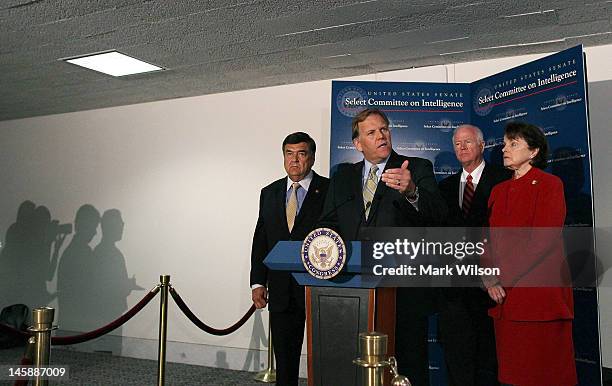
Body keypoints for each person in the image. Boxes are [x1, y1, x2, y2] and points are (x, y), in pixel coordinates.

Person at [320, 108, 446, 386]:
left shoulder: (416, 167)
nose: (381, 136)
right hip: (354, 290)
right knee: (359, 366)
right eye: (372, 132)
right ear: (357, 144)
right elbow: (328, 222)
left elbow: (439, 216)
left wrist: (412, 191)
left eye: (385, 129)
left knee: (408, 366)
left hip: (405, 292)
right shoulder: (342, 176)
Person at [484, 122, 576, 386]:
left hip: (539, 298)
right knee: (513, 375)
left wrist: (503, 276)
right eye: (504, 143)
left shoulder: (549, 184)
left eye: (513, 144)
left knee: (545, 374)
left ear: (534, 151)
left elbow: (542, 240)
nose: (505, 149)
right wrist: (489, 277)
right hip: (504, 299)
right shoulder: (498, 191)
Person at [250, 132, 329, 386]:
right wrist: (257, 282)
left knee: (327, 356)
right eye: (289, 154)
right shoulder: (269, 192)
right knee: (285, 360)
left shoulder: (329, 190)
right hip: (282, 289)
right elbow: (261, 239)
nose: (294, 160)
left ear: (312, 158)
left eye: (301, 153)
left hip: (320, 287)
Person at [437, 124, 511, 386]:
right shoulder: (443, 188)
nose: (462, 148)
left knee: (489, 365)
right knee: (458, 365)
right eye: (457, 143)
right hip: (453, 294)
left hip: (492, 292)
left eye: (468, 142)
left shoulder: (504, 181)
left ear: (482, 145)